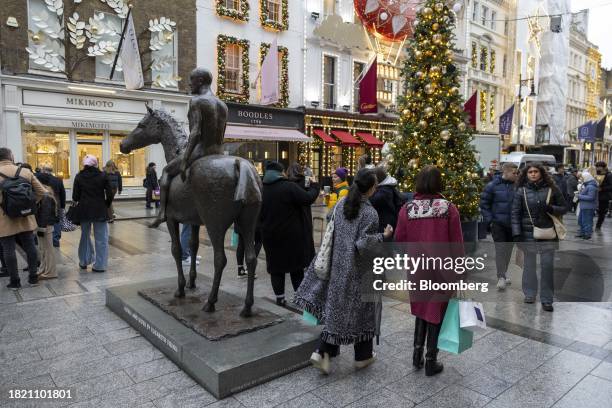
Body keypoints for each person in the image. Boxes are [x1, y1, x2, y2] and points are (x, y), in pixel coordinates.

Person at [295, 168, 392, 374]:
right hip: (358, 271)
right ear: (372, 188)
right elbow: (363, 244)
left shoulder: (341, 204)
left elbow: (331, 220)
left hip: (337, 267)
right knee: (361, 310)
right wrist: (383, 236)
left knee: (338, 310)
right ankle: (332, 353)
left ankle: (355, 355)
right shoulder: (370, 213)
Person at [394, 165, 463, 377]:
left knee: (422, 309)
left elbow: (399, 240)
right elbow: (457, 244)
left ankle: (417, 355)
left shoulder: (407, 209)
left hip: (417, 268)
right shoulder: (448, 208)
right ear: (439, 183)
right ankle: (431, 361)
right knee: (436, 312)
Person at [260, 161, 319, 306]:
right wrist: (315, 186)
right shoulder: (288, 187)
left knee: (276, 269)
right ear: (281, 173)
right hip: (291, 236)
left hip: (270, 236)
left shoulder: (261, 189)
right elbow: (307, 198)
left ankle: (280, 298)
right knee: (296, 268)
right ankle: (299, 298)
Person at [511, 163, 567, 312]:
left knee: (547, 267)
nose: (533, 174)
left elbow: (564, 207)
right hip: (527, 235)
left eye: (536, 171)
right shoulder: (521, 191)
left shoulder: (552, 189)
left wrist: (551, 208)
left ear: (542, 173)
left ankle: (547, 299)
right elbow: (515, 214)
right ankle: (529, 293)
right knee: (529, 266)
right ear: (526, 174)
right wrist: (517, 234)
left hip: (548, 234)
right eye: (530, 172)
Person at [0, 148, 46, 289]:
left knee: (8, 249)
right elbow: (42, 192)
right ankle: (33, 278)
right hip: (26, 216)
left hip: (4, 218)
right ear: (11, 157)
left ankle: (15, 281)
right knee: (30, 246)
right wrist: (31, 205)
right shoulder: (25, 171)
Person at [479, 162, 518, 290]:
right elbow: (484, 203)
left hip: (513, 225)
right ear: (505, 172)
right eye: (514, 173)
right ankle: (501, 276)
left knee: (508, 251)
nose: (516, 175)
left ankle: (504, 273)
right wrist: (490, 220)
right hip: (498, 224)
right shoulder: (492, 186)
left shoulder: (517, 186)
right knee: (501, 250)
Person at [72, 155, 114, 272]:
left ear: (84, 165)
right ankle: (100, 265)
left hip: (84, 210)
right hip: (99, 209)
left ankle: (84, 261)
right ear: (96, 164)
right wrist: (106, 204)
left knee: (84, 235)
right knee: (101, 238)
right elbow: (110, 194)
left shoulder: (79, 176)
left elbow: (75, 196)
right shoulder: (102, 175)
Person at [36, 166, 65, 247]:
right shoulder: (58, 180)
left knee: (46, 221)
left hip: (44, 203)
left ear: (44, 170)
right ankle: (55, 240)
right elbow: (62, 194)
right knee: (56, 221)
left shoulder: (40, 179)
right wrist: (62, 206)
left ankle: (45, 238)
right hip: (56, 203)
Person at [35, 181, 59, 280]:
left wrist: (41, 228)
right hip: (45, 225)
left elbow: (45, 214)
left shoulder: (45, 197)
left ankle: (51, 272)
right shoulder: (47, 196)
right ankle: (44, 269)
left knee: (48, 250)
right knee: (44, 249)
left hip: (45, 226)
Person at [369, 166, 404, 232]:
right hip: (386, 225)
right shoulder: (386, 188)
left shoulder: (384, 191)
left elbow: (372, 201)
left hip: (385, 228)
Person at [576, 170, 598, 240]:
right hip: (584, 206)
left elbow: (591, 197)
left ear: (586, 178)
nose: (581, 179)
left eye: (582, 177)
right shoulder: (588, 185)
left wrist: (579, 196)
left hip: (588, 207)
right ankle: (583, 233)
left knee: (587, 221)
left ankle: (587, 234)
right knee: (581, 220)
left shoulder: (591, 186)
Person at [595, 162, 612, 231]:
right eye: (597, 166)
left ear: (603, 167)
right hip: (597, 196)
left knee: (602, 212)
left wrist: (602, 189)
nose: (597, 168)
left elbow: (611, 186)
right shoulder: (597, 174)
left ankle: (598, 226)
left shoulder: (609, 175)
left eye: (599, 166)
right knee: (598, 211)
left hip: (604, 196)